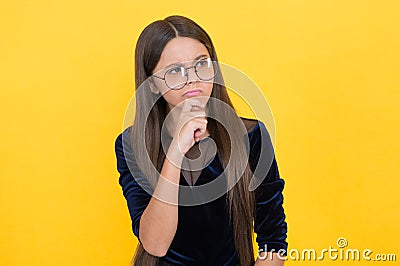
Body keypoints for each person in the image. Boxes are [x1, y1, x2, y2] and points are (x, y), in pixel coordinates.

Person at [115, 15, 288, 266]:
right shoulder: (131, 144)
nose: (193, 78)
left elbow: (273, 238)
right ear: (152, 85)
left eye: (201, 63)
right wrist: (176, 151)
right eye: (175, 71)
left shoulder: (251, 136)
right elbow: (155, 243)